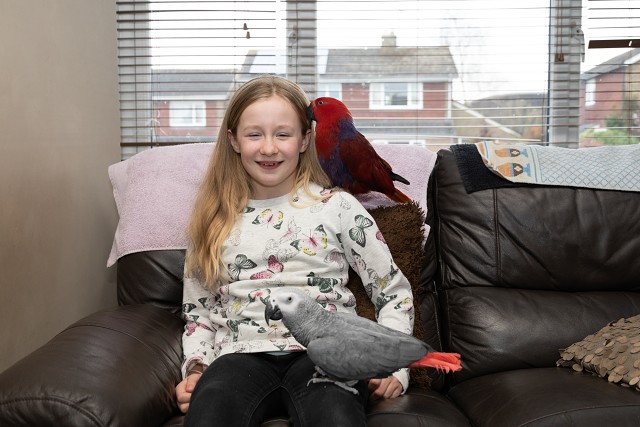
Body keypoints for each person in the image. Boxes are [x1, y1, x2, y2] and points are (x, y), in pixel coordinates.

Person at [175, 75, 415, 427]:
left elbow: (393, 292)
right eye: (254, 134)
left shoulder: (338, 206)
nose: (269, 148)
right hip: (237, 358)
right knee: (208, 415)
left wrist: (394, 366)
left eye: (283, 134)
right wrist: (196, 368)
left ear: (305, 139)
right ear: (234, 141)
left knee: (336, 417)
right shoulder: (213, 219)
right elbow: (198, 313)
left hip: (328, 353)